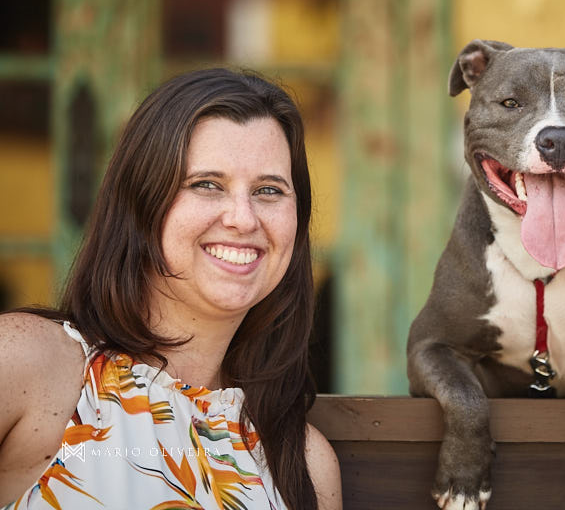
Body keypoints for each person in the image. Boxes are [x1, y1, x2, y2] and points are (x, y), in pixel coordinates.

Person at [0, 69, 342, 509]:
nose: (243, 218)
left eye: (269, 190)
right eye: (206, 184)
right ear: (142, 203)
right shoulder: (28, 363)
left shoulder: (305, 462)